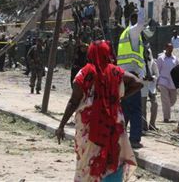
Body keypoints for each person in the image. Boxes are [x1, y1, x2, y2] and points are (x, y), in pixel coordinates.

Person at [55, 40, 143, 182]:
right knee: (114, 156)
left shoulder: (84, 73)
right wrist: (117, 98)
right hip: (114, 123)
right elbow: (138, 83)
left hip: (89, 127)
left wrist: (61, 126)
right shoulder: (115, 71)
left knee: (88, 160)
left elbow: (73, 102)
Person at [117, 0, 146, 149]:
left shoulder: (125, 34)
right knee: (135, 109)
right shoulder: (133, 32)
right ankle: (134, 139)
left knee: (125, 109)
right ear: (133, 21)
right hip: (131, 77)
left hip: (122, 76)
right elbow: (141, 23)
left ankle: (120, 136)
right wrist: (142, 4)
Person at [157, 43, 179, 122]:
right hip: (163, 81)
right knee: (165, 100)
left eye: (171, 48)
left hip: (173, 82)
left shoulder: (175, 59)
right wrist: (157, 82)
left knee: (173, 100)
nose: (170, 50)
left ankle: (167, 108)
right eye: (169, 48)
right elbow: (157, 71)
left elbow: (178, 70)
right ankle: (166, 117)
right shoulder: (161, 58)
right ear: (165, 48)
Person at [141, 49, 158, 132]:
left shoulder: (153, 62)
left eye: (147, 53)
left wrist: (153, 78)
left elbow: (157, 74)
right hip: (142, 86)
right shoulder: (139, 63)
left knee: (155, 104)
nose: (146, 55)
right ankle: (144, 125)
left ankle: (152, 124)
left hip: (151, 86)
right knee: (143, 107)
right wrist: (143, 78)